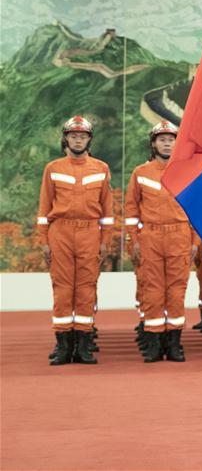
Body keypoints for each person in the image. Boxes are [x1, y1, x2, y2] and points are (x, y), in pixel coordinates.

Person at [38, 116, 113, 366]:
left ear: (89, 140)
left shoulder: (101, 168)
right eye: (73, 136)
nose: (78, 139)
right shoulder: (53, 168)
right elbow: (44, 208)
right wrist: (44, 241)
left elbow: (107, 209)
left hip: (90, 232)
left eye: (82, 136)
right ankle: (62, 347)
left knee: (85, 288)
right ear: (66, 139)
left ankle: (83, 347)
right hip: (60, 232)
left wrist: (105, 240)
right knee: (62, 289)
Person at [124, 121, 199, 362]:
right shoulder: (140, 173)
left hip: (179, 236)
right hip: (151, 237)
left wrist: (195, 242)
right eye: (162, 139)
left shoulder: (188, 171)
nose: (167, 143)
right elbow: (131, 210)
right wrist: (133, 241)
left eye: (171, 139)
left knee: (176, 291)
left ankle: (174, 344)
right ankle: (155, 343)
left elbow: (197, 211)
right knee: (153, 291)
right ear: (153, 143)